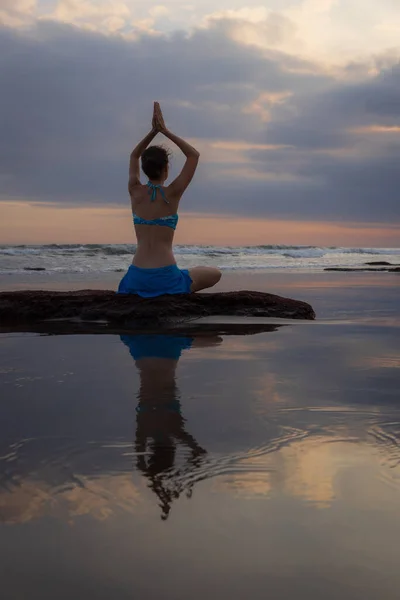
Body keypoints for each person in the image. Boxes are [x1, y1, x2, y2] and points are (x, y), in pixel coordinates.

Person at [118, 102, 222, 297]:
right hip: (165, 277)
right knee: (215, 273)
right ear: (166, 168)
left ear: (144, 168)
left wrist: (152, 132)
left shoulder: (135, 191)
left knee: (192, 273)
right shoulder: (172, 193)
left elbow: (134, 155)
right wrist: (164, 131)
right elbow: (193, 155)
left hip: (136, 277)